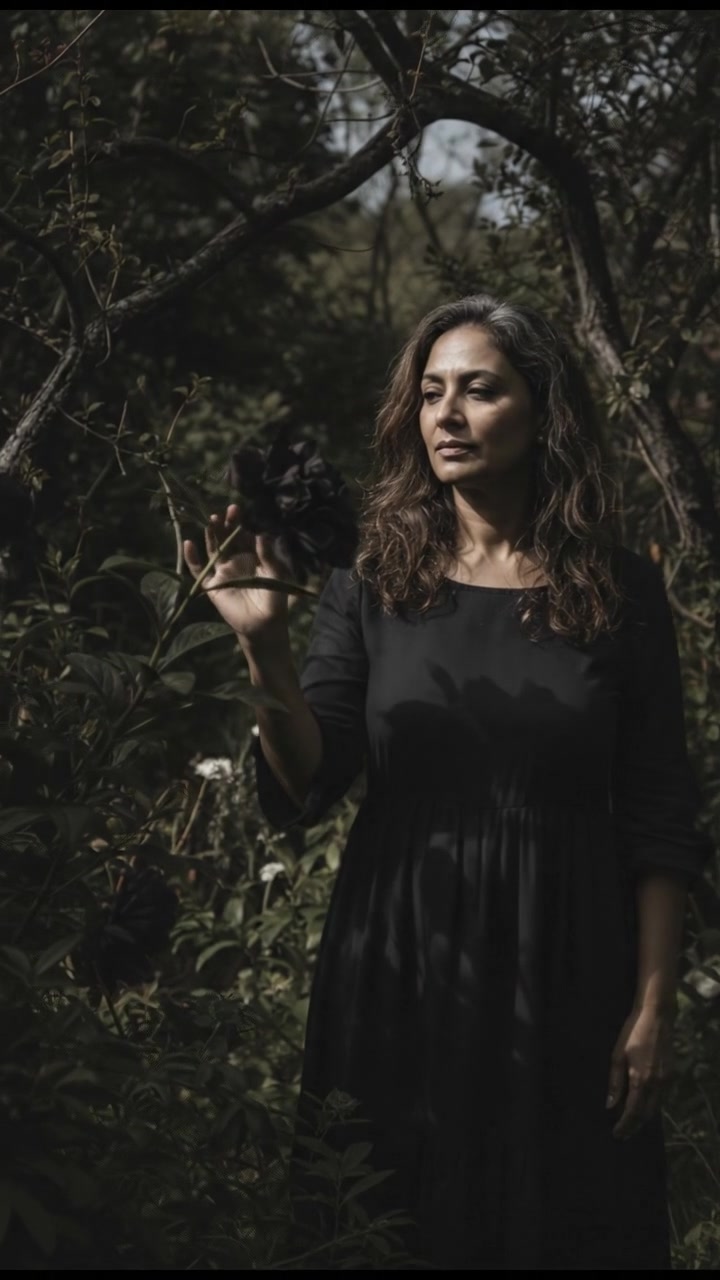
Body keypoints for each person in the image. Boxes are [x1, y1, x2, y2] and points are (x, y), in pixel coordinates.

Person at [183, 294, 712, 1270]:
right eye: (431, 393)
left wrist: (654, 1004)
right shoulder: (370, 580)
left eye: (479, 390)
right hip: (400, 963)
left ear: (543, 411)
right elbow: (309, 777)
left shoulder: (619, 588)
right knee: (393, 1222)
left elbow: (658, 811)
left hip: (569, 961)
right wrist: (265, 650)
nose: (447, 415)